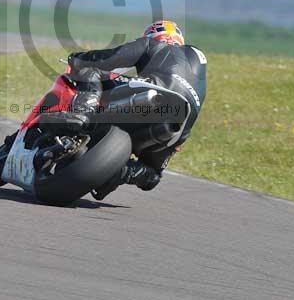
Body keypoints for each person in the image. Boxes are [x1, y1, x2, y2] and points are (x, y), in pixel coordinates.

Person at [66, 20, 207, 200]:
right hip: (179, 126)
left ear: (153, 34)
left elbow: (110, 58)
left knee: (91, 71)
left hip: (154, 92)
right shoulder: (197, 63)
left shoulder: (153, 44)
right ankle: (123, 172)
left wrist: (77, 58)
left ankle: (81, 114)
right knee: (152, 175)